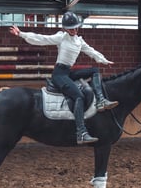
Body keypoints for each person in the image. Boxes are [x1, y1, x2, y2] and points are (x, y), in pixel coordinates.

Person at [10, 11, 118, 144]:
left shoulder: (79, 40)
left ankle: (101, 100)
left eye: (75, 27)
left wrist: (104, 60)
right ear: (65, 28)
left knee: (95, 70)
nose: (73, 30)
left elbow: (91, 51)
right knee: (78, 96)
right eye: (70, 28)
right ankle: (81, 132)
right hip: (59, 74)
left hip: (68, 72)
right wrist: (21, 34)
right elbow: (42, 39)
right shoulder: (61, 37)